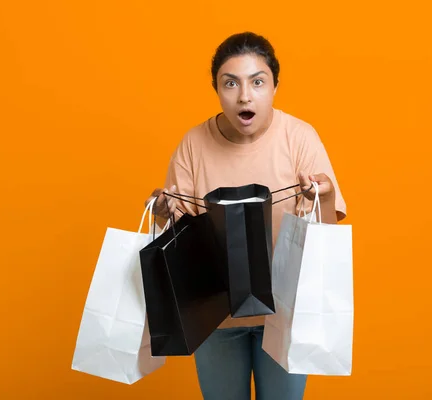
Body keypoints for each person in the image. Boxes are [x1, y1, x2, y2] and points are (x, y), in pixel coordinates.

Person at [144, 32, 347, 400]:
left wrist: (324, 192)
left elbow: (326, 227)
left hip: (284, 313)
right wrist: (162, 213)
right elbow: (178, 232)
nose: (244, 96)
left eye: (257, 82)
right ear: (217, 89)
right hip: (214, 315)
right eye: (230, 83)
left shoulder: (299, 137)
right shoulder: (193, 144)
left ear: (274, 86)